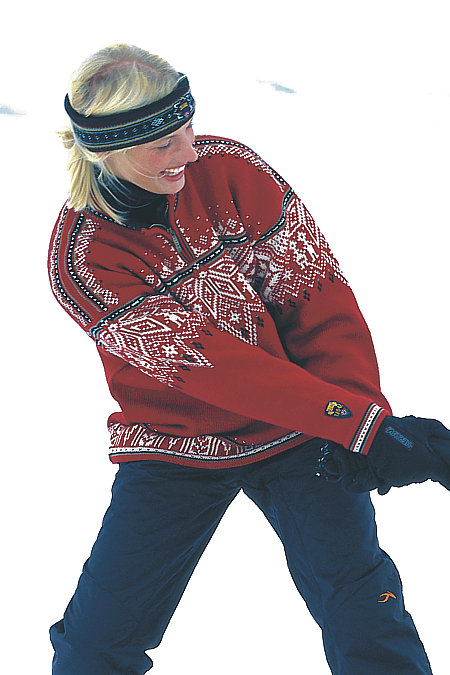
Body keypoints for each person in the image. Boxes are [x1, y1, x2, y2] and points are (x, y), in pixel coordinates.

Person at [48, 43, 449, 674]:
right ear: (107, 151)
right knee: (97, 642)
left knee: (366, 612)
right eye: (164, 144)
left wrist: (360, 422)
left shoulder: (231, 170)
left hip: (304, 431)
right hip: (176, 447)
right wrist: (356, 423)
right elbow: (211, 367)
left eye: (188, 128)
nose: (188, 152)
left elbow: (317, 300)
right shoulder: (85, 258)